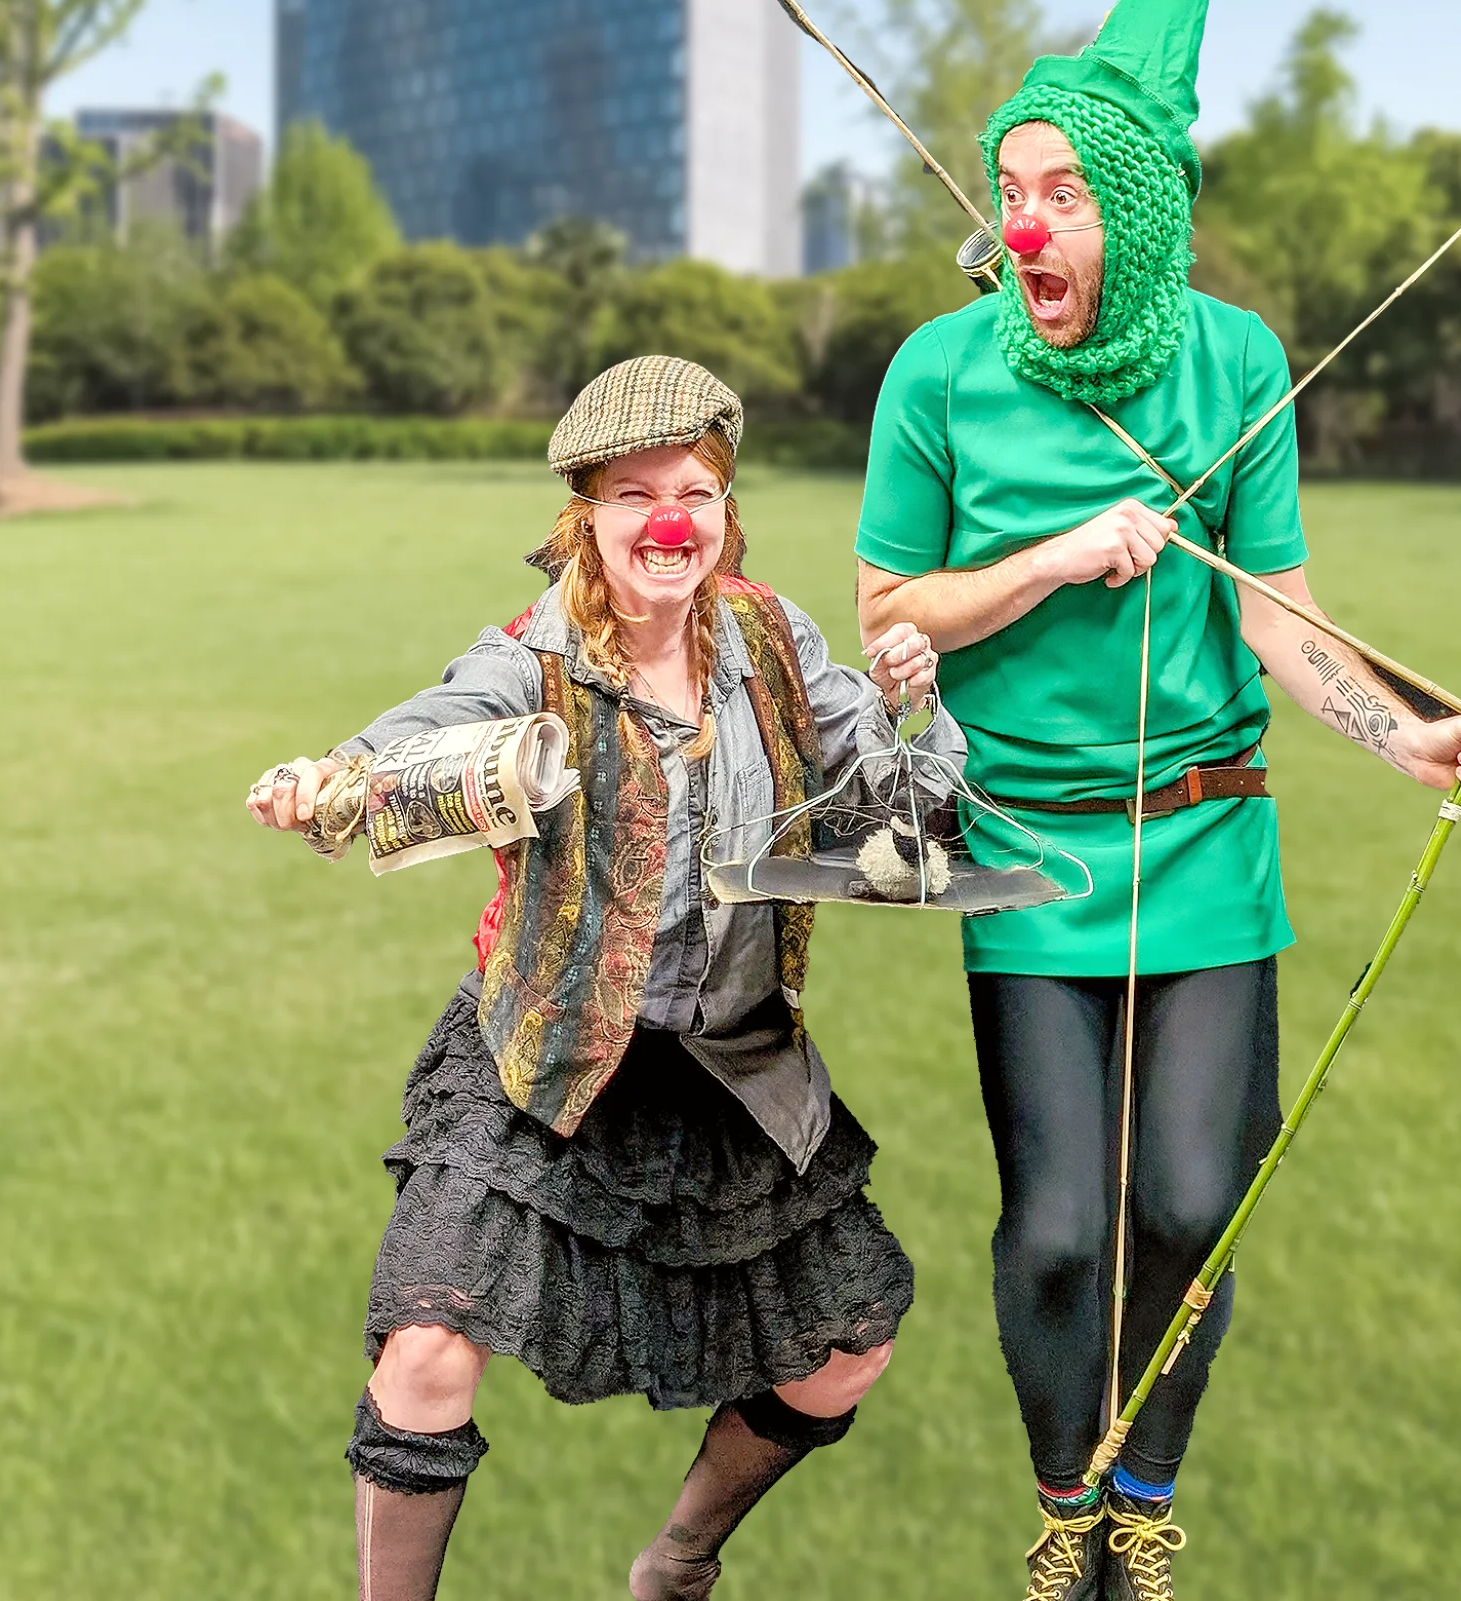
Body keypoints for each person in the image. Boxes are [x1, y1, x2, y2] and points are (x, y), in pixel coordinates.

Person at [852, 0, 1461, 1599]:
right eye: (1012, 191)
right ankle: (1064, 1505)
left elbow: (1283, 621)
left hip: (1210, 841)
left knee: (1190, 1205)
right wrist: (1054, 559)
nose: (1025, 223)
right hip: (1023, 850)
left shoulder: (1237, 366)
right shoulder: (938, 376)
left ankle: (1144, 1495)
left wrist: (1404, 730)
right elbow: (890, 619)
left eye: (1064, 191)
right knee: (1065, 1225)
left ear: (1138, 211)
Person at [251, 356, 955, 1601]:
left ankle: (679, 1558)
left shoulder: (775, 643)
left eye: (693, 490)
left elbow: (913, 820)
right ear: (587, 520)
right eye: (634, 496)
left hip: (728, 1063)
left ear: (725, 513)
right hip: (549, 1050)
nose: (668, 520)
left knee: (846, 1347)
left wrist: (914, 711)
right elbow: (424, 731)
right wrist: (332, 775)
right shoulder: (535, 655)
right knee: (426, 1347)